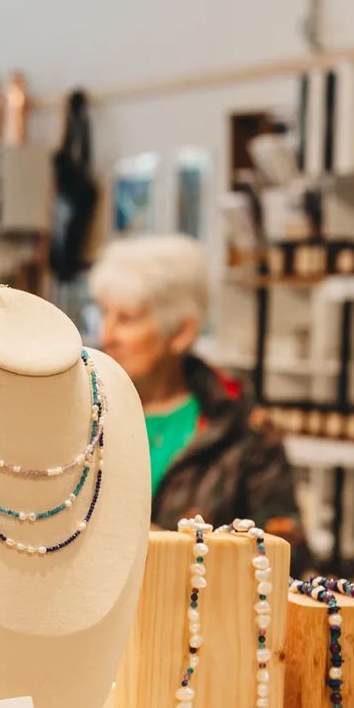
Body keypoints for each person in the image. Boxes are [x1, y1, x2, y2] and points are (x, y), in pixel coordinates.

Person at [90, 234, 307, 563]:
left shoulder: (243, 430)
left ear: (181, 333)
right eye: (104, 314)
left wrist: (177, 549)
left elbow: (286, 554)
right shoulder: (81, 411)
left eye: (127, 319)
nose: (107, 336)